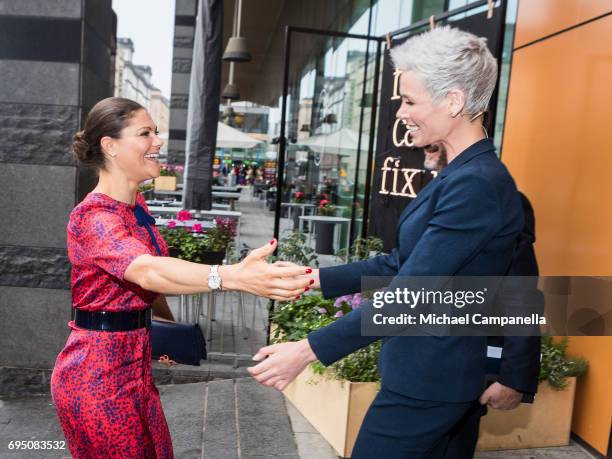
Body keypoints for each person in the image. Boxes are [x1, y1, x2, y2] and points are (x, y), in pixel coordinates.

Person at [248, 26, 525, 458]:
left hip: (431, 378)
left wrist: (306, 350)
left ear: (453, 101)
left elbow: (411, 292)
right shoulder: (462, 175)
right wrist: (310, 277)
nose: (400, 112)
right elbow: (400, 264)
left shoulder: (477, 184)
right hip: (430, 374)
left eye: (410, 100)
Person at [50, 97, 313, 459]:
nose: (157, 142)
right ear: (109, 146)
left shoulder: (135, 206)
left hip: (136, 367)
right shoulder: (93, 217)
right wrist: (231, 276)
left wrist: (168, 333)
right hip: (97, 377)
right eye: (145, 133)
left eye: (155, 132)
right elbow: (146, 269)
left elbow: (150, 278)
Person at [420, 143, 542, 459]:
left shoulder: (507, 202)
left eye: (436, 145)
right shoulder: (436, 195)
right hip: (419, 360)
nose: (426, 148)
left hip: (465, 364)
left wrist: (514, 377)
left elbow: (522, 295)